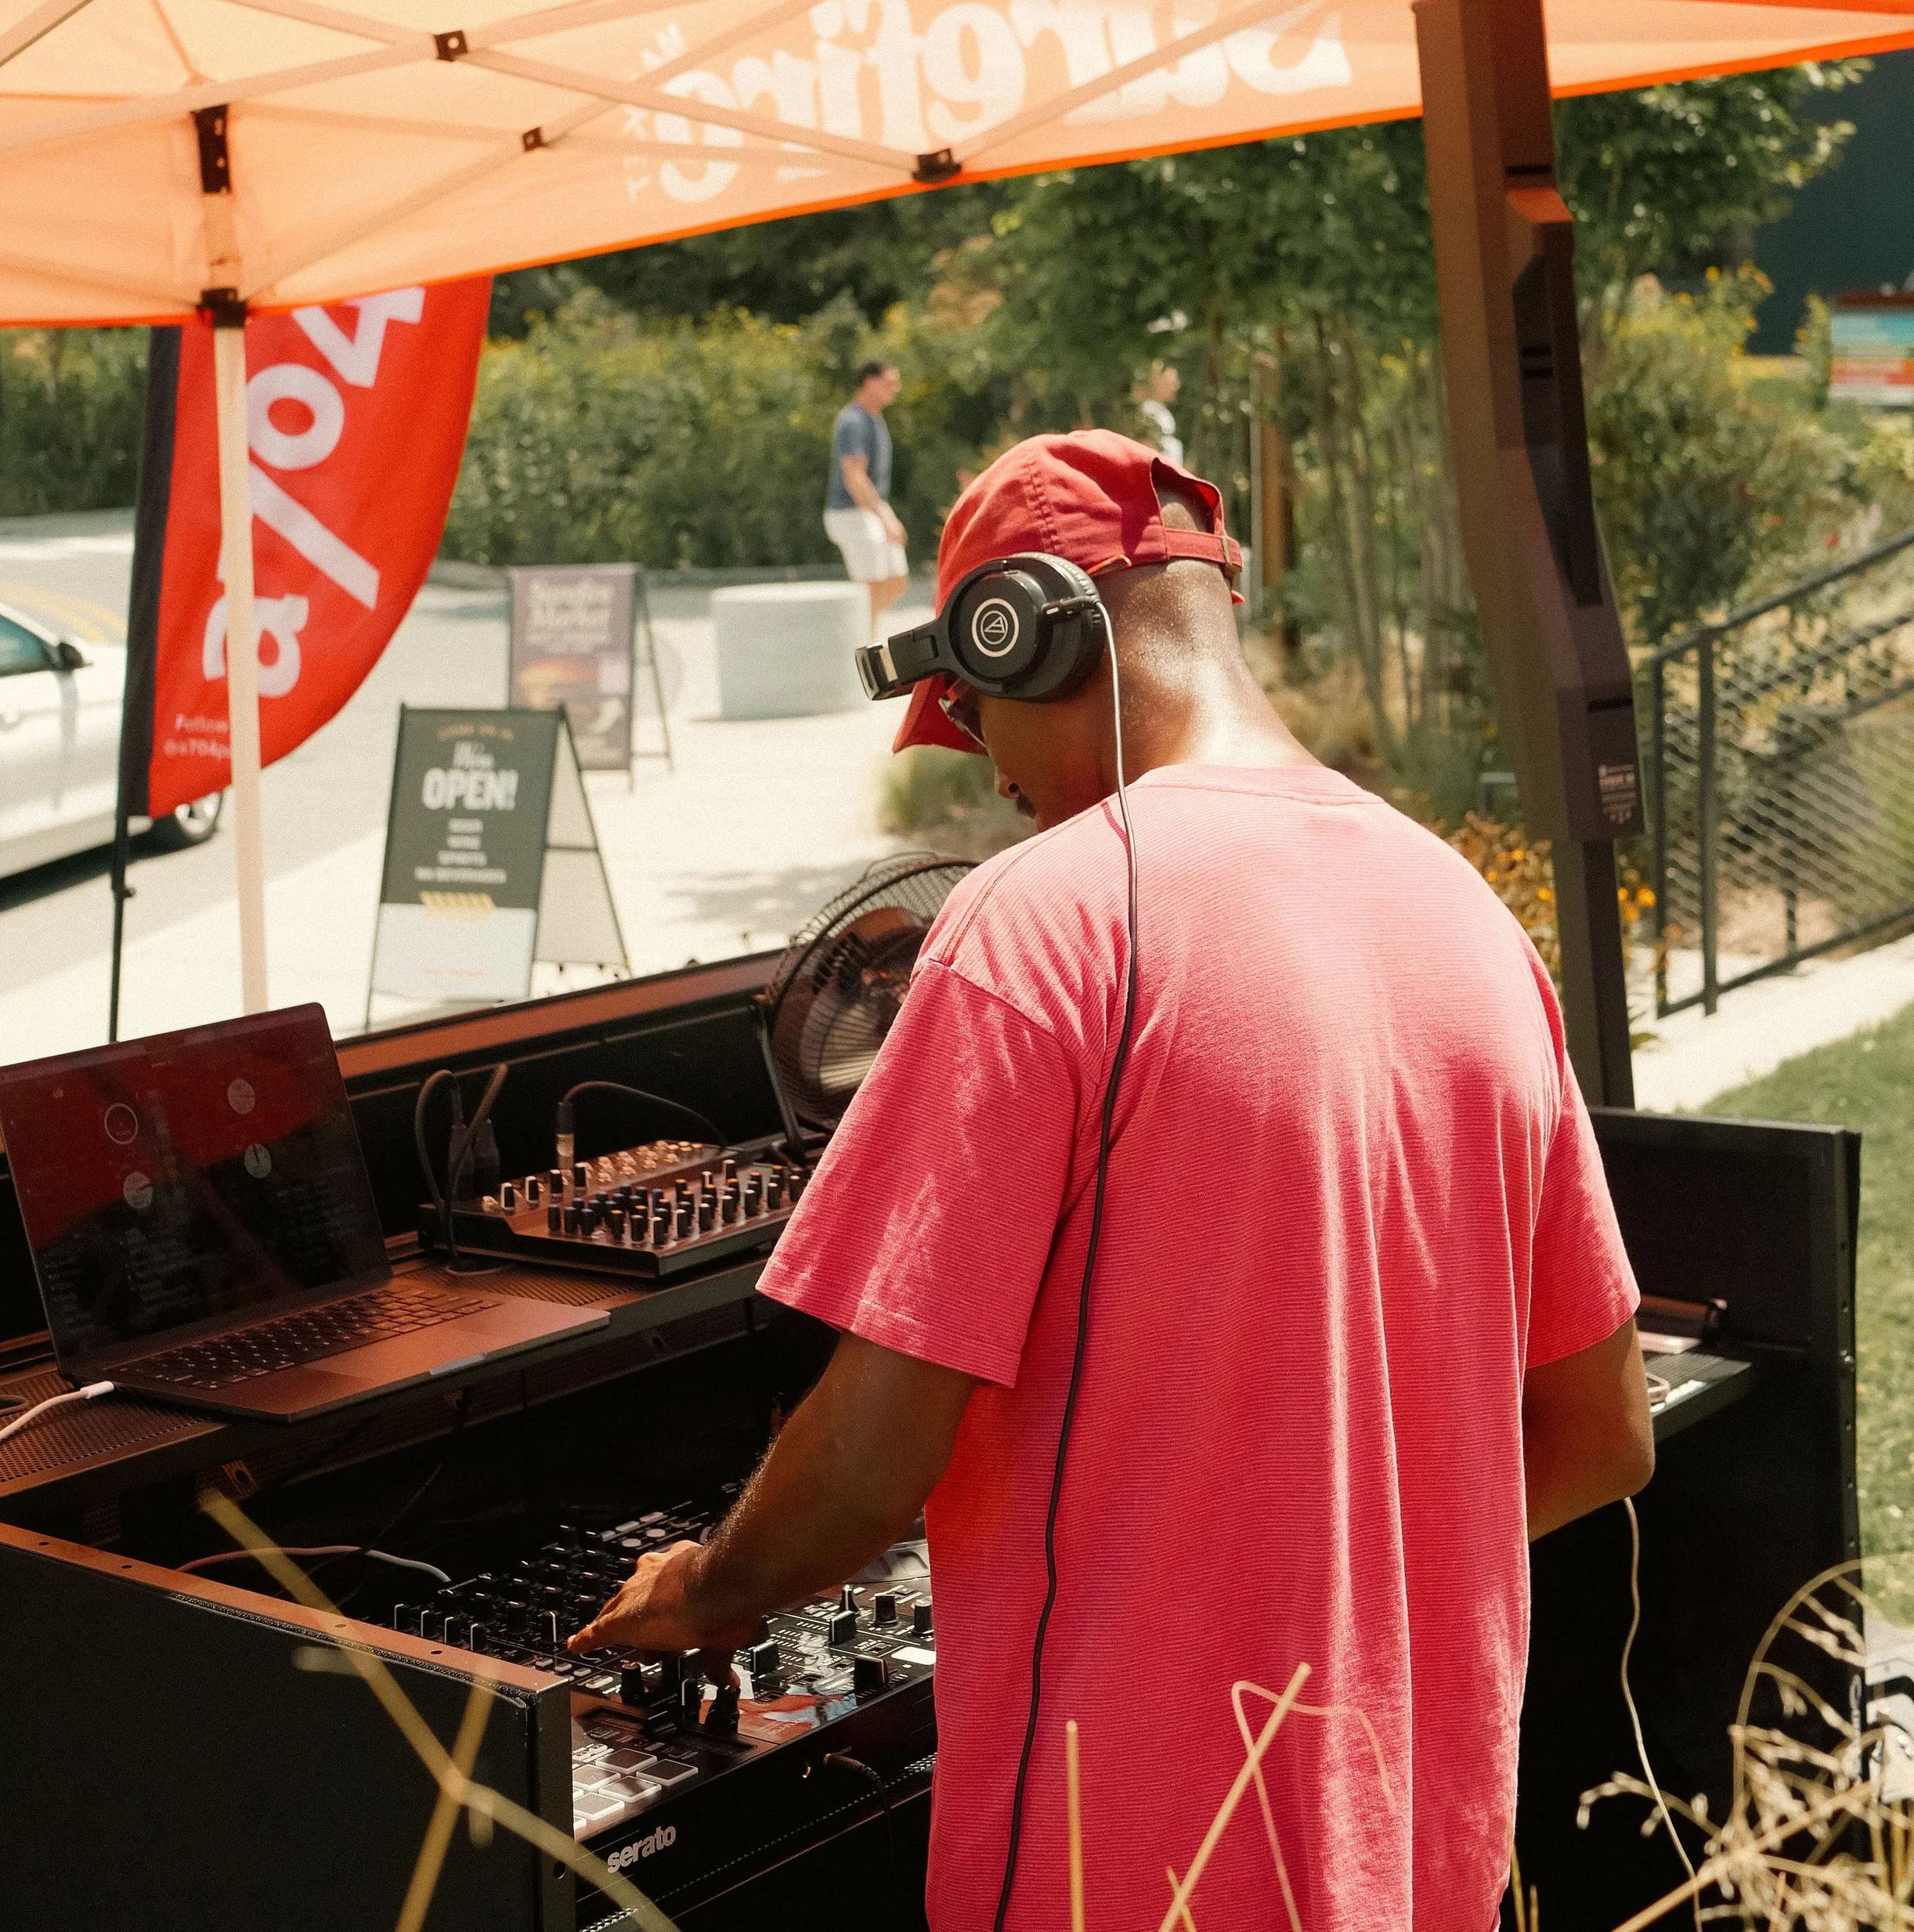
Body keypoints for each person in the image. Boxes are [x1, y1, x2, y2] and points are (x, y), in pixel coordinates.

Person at [572, 431, 1652, 1932]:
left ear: (1027, 630)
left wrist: (706, 1591)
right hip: (1420, 1864)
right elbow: (1600, 1439)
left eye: (971, 717)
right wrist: (1340, 1579)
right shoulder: (1466, 914)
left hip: (1133, 1876)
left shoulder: (1040, 927)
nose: (997, 781)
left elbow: (877, 1460)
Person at [824, 356, 908, 631]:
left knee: (897, 578)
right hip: (851, 513)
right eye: (889, 383)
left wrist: (883, 515)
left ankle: (850, 628)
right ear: (870, 383)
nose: (895, 389)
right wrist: (884, 518)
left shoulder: (875, 419)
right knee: (870, 585)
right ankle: (863, 642)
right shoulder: (854, 421)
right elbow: (854, 479)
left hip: (871, 509)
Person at [1134, 359, 1183, 464]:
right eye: (1170, 383)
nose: (1176, 387)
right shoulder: (1149, 410)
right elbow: (1146, 444)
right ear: (1157, 383)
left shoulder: (1161, 410)